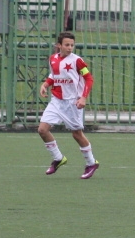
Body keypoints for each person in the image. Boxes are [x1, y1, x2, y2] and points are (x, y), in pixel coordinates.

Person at [38, 31, 99, 179]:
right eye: (67, 45)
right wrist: (46, 84)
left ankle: (91, 163)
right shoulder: (53, 59)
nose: (70, 48)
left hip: (73, 102)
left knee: (76, 134)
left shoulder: (77, 61)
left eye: (72, 45)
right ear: (59, 45)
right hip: (57, 101)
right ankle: (58, 158)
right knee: (42, 130)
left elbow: (89, 79)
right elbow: (54, 75)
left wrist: (83, 98)